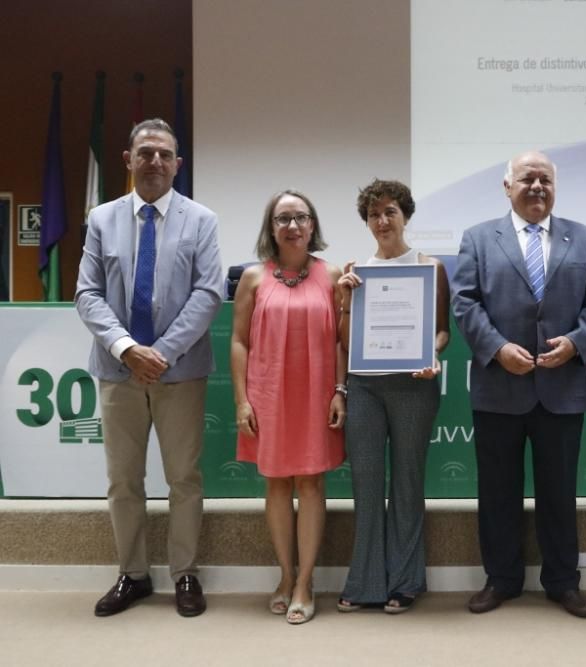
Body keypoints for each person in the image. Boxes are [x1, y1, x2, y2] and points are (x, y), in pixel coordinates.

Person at [452, 150, 586, 618]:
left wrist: (578, 342)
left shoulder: (583, 238)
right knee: (497, 491)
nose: (537, 186)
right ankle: (501, 580)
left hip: (561, 386)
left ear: (555, 187)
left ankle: (563, 582)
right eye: (527, 178)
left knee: (559, 492)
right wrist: (498, 348)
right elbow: (465, 302)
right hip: (499, 384)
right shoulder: (479, 238)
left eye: (545, 179)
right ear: (507, 186)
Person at [75, 118, 223, 617]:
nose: (155, 161)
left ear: (178, 163)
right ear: (128, 159)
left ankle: (185, 574)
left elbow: (208, 294)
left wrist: (161, 352)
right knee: (123, 479)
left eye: (165, 154)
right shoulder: (101, 219)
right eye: (146, 153)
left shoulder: (201, 219)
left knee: (184, 477)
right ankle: (133, 575)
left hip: (179, 373)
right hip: (118, 372)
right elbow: (87, 293)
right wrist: (126, 348)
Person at [231, 190, 347, 625]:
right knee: (277, 485)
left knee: (312, 484)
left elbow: (341, 340)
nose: (292, 225)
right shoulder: (253, 279)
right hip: (268, 395)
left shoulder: (333, 275)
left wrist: (340, 391)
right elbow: (239, 341)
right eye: (283, 218)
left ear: (313, 225)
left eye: (300, 217)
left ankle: (306, 582)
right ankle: (284, 575)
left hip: (317, 393)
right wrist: (242, 400)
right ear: (271, 228)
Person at [335, 179, 450, 614]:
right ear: (367, 222)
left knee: (407, 482)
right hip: (364, 386)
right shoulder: (355, 272)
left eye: (390, 212)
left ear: (405, 215)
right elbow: (345, 341)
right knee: (365, 484)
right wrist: (346, 299)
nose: (382, 221)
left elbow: (441, 331)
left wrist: (431, 354)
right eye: (374, 215)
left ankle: (405, 581)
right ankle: (364, 582)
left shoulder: (430, 267)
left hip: (413, 385)